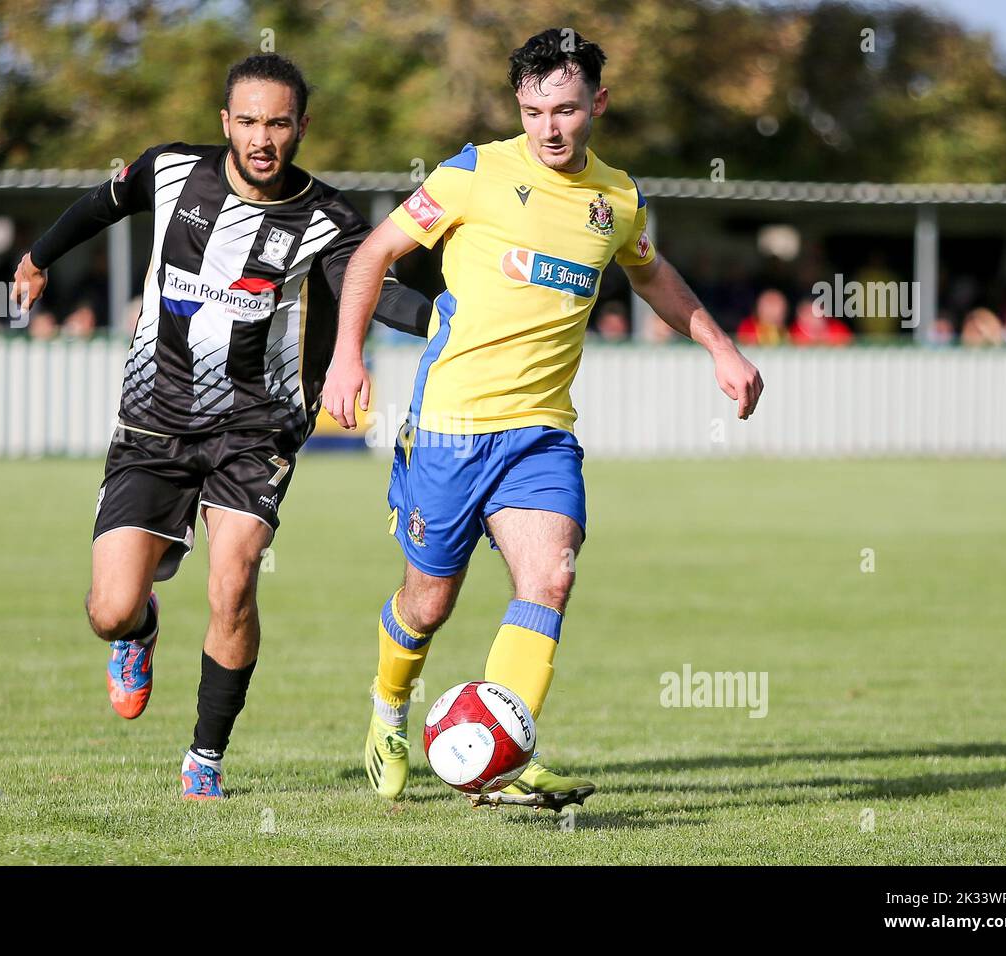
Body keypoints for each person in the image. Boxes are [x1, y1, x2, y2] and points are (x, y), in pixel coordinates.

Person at [322, 28, 762, 809]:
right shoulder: (473, 175)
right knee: (428, 603)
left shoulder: (616, 199)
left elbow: (654, 274)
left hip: (541, 431)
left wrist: (720, 348)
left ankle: (499, 760)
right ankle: (390, 711)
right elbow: (370, 256)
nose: (548, 129)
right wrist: (346, 358)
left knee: (551, 578)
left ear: (598, 102)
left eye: (562, 110)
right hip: (451, 427)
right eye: (531, 111)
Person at [11, 53, 430, 801]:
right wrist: (40, 256)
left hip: (256, 430)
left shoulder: (328, 219)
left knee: (233, 582)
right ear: (224, 124)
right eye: (248, 121)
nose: (262, 137)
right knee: (109, 609)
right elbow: (103, 205)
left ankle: (205, 756)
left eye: (278, 122)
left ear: (301, 126)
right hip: (154, 421)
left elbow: (379, 293)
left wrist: (455, 321)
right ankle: (138, 633)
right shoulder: (170, 171)